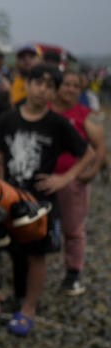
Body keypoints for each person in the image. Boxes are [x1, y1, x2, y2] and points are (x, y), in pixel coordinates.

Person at [0, 64, 94, 336]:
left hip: (42, 201)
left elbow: (88, 153)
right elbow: (0, 155)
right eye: (38, 83)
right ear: (27, 84)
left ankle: (29, 308)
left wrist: (65, 179)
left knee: (37, 255)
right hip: (10, 197)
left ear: (55, 91)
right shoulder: (7, 119)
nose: (43, 89)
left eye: (50, 86)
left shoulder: (58, 123)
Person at [50, 70, 106, 295]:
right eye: (66, 84)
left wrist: (91, 172)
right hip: (45, 179)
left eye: (75, 85)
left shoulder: (85, 115)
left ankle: (73, 273)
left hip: (73, 181)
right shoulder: (47, 110)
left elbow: (99, 146)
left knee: (73, 230)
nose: (70, 89)